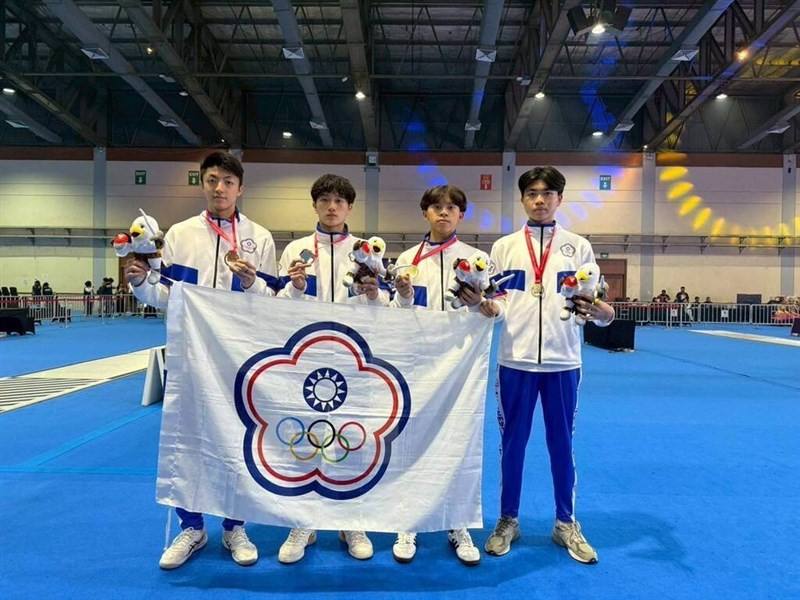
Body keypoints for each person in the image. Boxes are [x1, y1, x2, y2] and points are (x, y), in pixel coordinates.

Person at [124, 151, 278, 570]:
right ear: (202, 184)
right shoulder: (180, 234)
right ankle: (191, 527)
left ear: (240, 188)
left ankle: (234, 526)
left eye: (228, 181)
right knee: (185, 440)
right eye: (212, 179)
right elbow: (165, 294)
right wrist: (140, 285)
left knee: (239, 441)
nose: (219, 188)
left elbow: (273, 302)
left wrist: (252, 283)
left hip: (240, 358)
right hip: (190, 355)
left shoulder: (260, 237)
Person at [479, 166, 614, 565]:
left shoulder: (579, 247)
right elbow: (497, 302)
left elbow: (598, 306)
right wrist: (486, 307)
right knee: (512, 446)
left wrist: (602, 311)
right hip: (515, 361)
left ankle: (565, 523)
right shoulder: (503, 248)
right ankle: (508, 520)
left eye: (547, 193)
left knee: (562, 445)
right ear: (522, 200)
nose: (539, 200)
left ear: (560, 199)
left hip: (563, 361)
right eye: (532, 193)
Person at [275, 173, 384, 565]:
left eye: (340, 200)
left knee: (352, 440)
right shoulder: (296, 250)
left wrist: (375, 294)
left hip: (354, 359)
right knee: (305, 441)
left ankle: (350, 519)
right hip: (305, 358)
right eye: (325, 200)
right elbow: (277, 305)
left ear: (350, 207)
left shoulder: (367, 250)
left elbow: (383, 308)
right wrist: (297, 289)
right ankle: (304, 520)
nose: (332, 206)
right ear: (315, 205)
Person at [389, 184, 485, 566]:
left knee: (459, 441)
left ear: (461, 215)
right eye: (436, 207)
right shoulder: (406, 259)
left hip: (461, 368)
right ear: (425, 212)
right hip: (416, 363)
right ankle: (407, 520)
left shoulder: (478, 259)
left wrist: (486, 304)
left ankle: (456, 520)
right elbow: (397, 313)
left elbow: (494, 307)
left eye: (451, 208)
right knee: (411, 440)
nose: (443, 213)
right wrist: (403, 294)